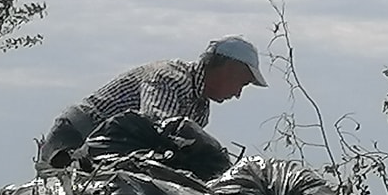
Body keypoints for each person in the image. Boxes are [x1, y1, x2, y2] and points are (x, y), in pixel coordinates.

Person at [36, 35, 268, 169]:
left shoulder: (200, 110)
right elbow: (155, 129)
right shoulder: (169, 79)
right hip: (78, 135)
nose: (238, 93)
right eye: (241, 83)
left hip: (104, 152)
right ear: (226, 69)